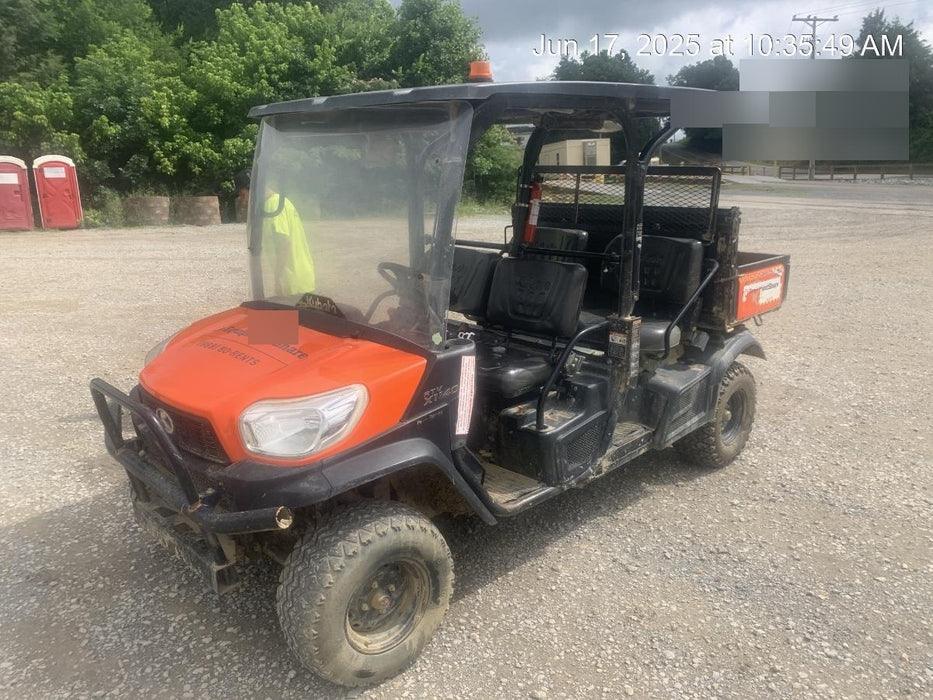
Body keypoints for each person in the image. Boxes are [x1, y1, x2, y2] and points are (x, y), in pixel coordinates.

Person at [262, 186, 316, 296]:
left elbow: (284, 242)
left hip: (292, 283)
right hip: (301, 278)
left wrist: (278, 277)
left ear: (254, 190)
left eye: (244, 195)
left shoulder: (273, 205)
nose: (244, 201)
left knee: (292, 313)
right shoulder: (281, 201)